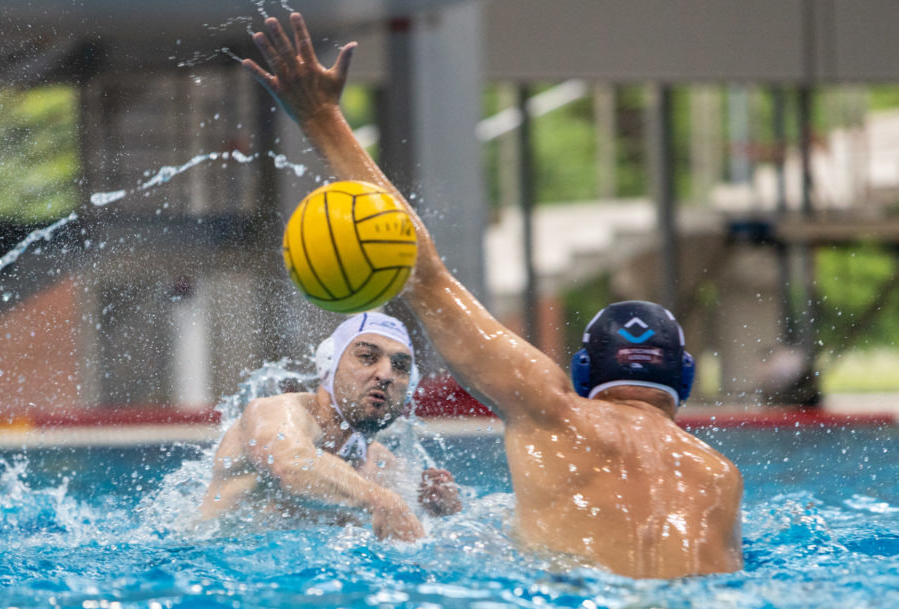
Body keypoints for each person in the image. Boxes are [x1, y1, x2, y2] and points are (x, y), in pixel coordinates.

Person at [240, 13, 743, 578]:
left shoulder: (551, 409)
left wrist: (321, 117)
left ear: (581, 373)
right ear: (686, 378)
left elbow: (421, 271)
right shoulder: (721, 476)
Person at [200, 312, 462, 541]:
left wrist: (440, 514)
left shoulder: (381, 466)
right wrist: (383, 500)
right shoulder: (274, 413)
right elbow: (291, 464)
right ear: (329, 364)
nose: (386, 374)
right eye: (367, 357)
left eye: (401, 366)